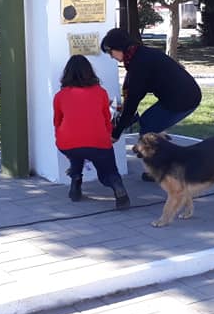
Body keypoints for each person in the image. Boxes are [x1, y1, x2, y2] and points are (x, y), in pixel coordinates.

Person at [100, 28, 202, 181]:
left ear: (119, 47)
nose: (111, 56)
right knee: (149, 124)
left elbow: (132, 102)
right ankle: (163, 150)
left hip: (183, 99)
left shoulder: (138, 65)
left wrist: (116, 133)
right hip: (182, 94)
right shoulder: (139, 54)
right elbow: (134, 93)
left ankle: (157, 170)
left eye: (110, 52)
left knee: (148, 127)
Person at [53, 55, 130, 210]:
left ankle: (75, 182)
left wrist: (63, 139)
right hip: (98, 141)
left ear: (67, 74)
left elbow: (57, 121)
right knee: (107, 171)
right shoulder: (100, 92)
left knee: (77, 153)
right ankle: (116, 185)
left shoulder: (60, 96)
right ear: (90, 72)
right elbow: (106, 118)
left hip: (68, 142)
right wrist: (107, 137)